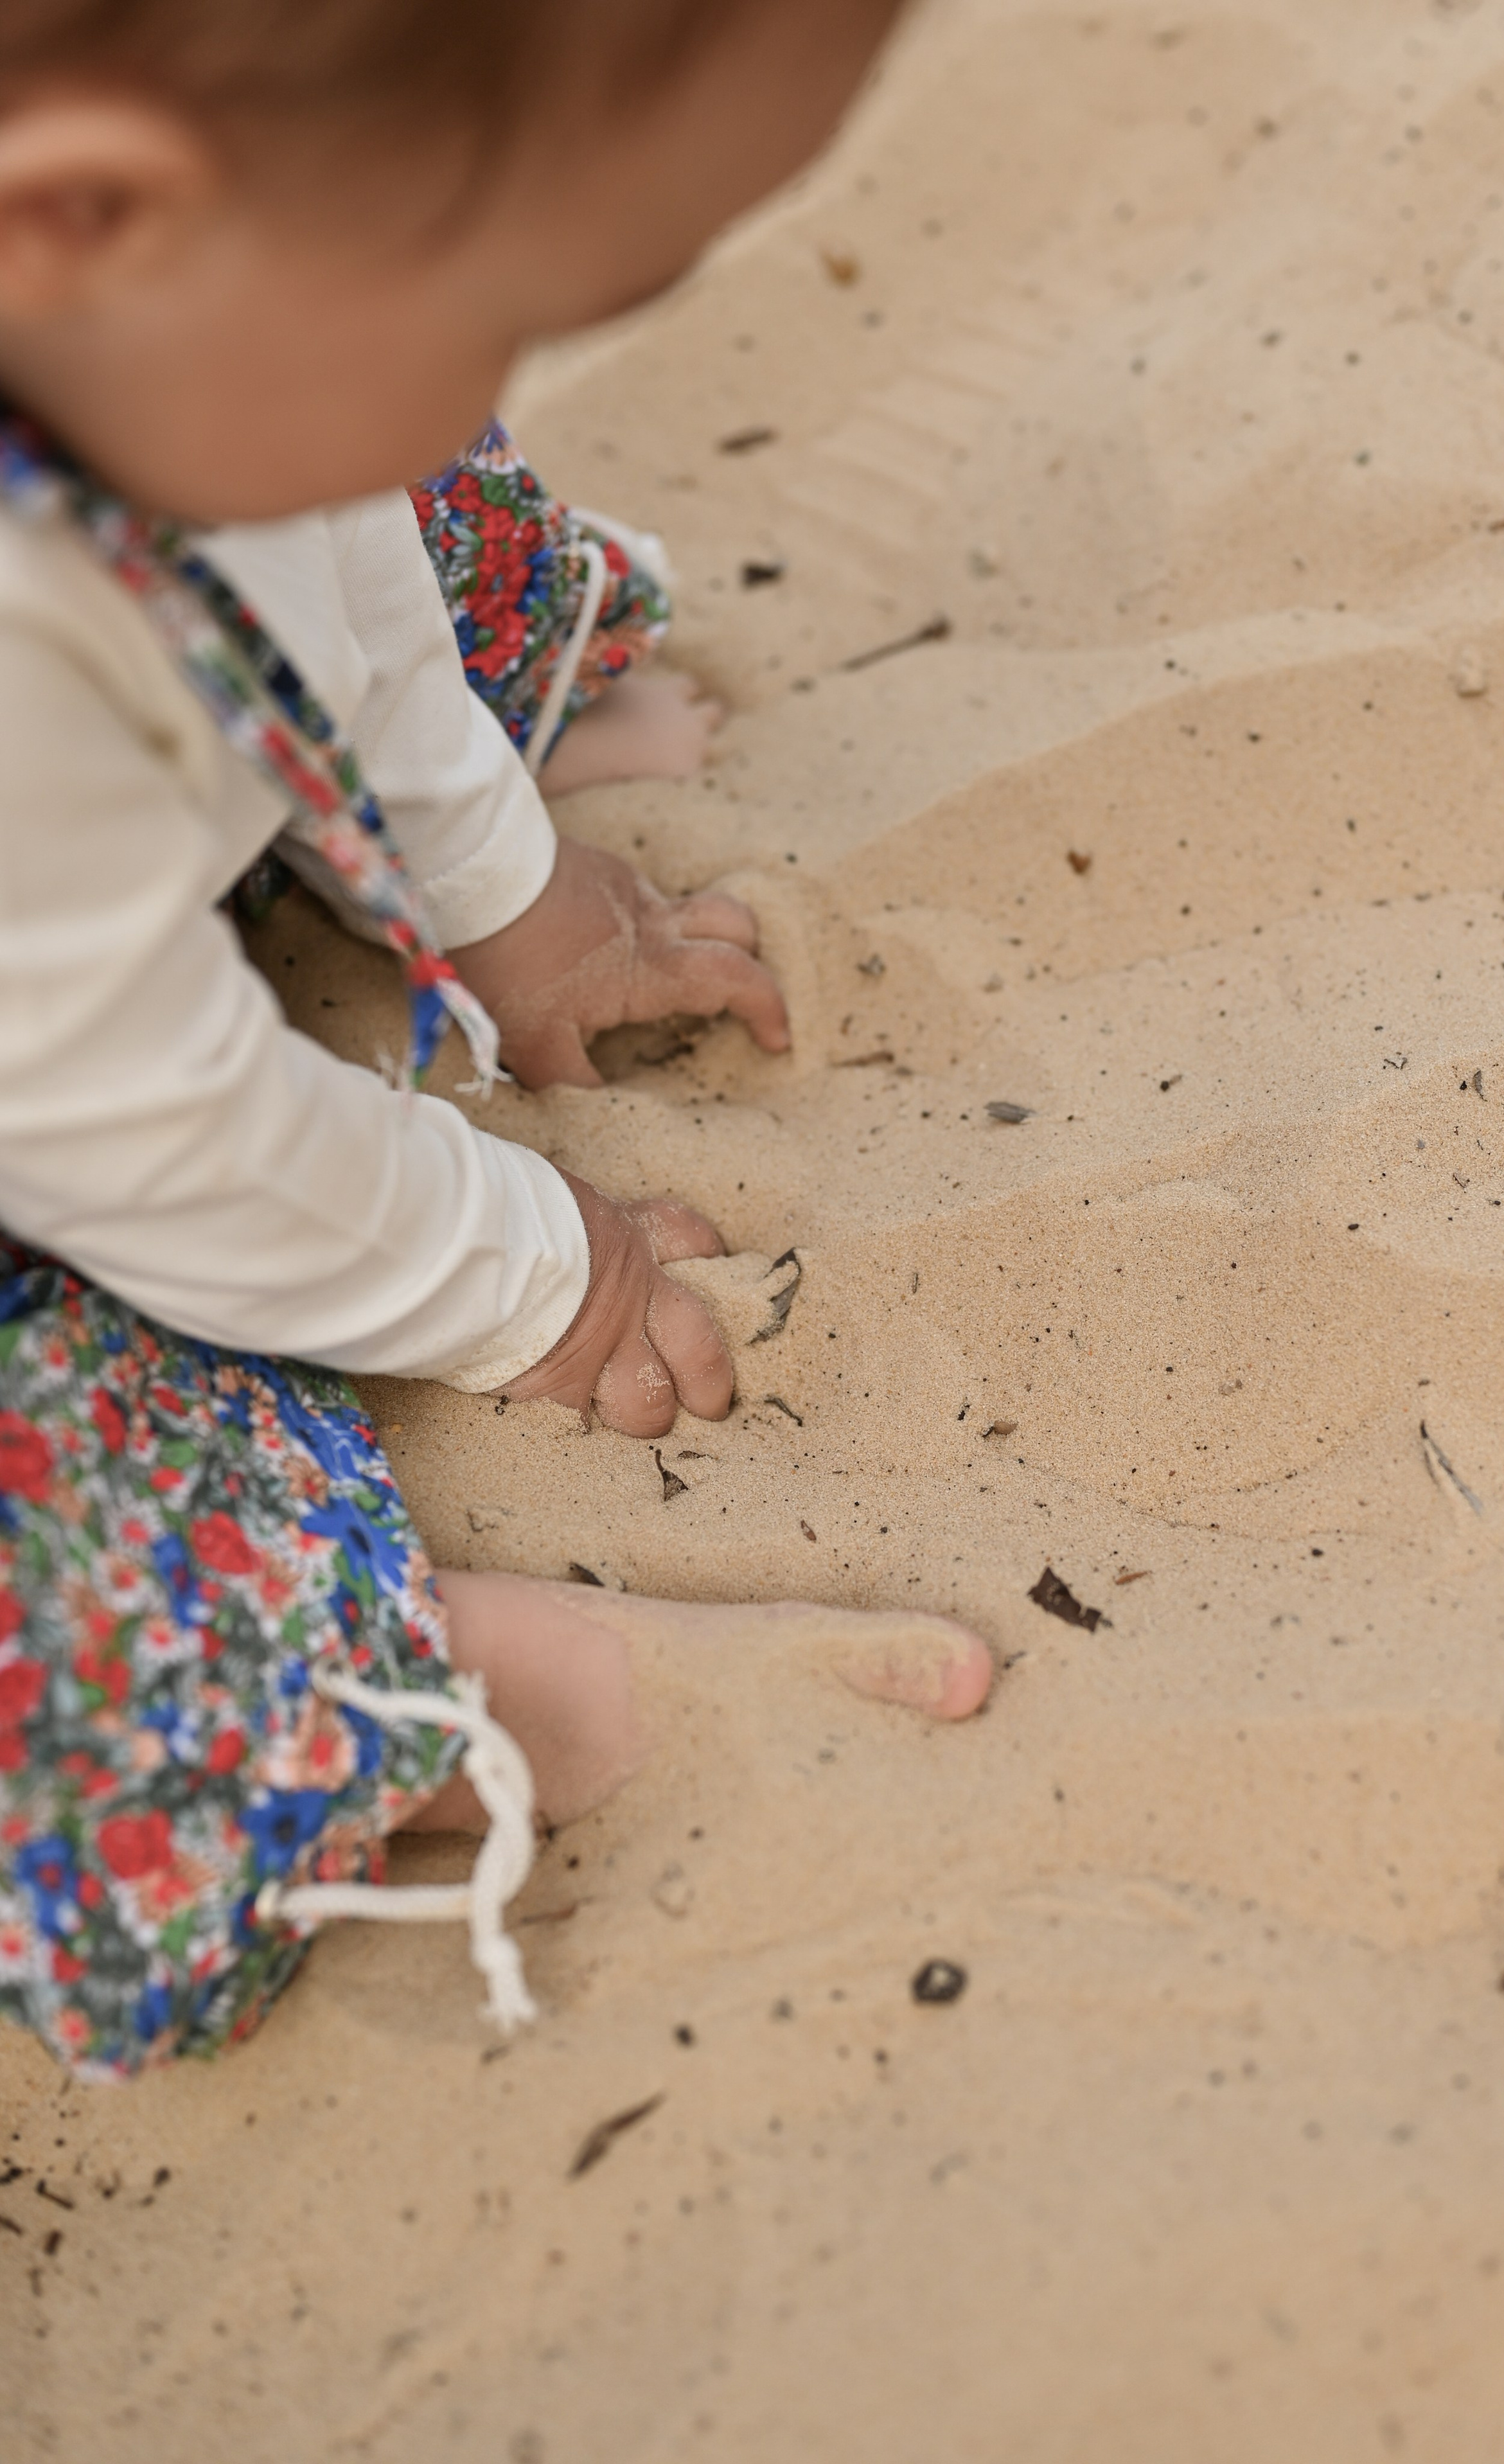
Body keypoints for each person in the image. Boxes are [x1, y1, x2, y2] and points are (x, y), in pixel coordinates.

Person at [0, 0, 992, 2080]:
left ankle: (299, 775)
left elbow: (326, 537)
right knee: (72, 1659)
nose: (510, 374)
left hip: (95, 654)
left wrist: (496, 880)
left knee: (351, 443)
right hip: (57, 1041)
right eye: (507, 317)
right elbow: (144, 1125)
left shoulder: (107, 282)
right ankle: (377, 1686)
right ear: (84, 203)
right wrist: (548, 1275)